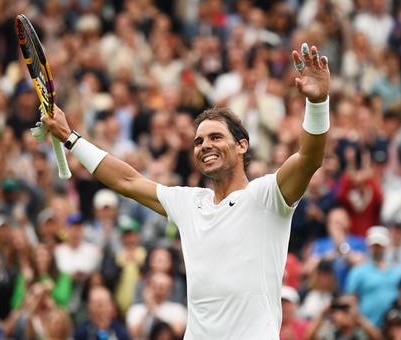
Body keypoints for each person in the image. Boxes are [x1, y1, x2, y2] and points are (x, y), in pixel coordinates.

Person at [42, 42, 330, 338]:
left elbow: (309, 159)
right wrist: (69, 136)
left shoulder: (267, 196)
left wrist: (318, 104)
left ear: (242, 145)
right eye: (198, 141)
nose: (205, 145)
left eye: (216, 137)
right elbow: (125, 181)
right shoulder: (189, 202)